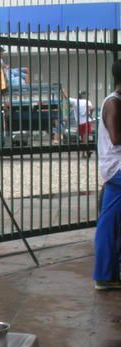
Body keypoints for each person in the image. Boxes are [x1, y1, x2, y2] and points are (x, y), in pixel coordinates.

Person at [93, 60, 121, 290]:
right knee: (109, 221)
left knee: (110, 220)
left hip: (115, 169)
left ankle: (106, 273)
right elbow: (116, 138)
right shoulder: (113, 103)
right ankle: (104, 274)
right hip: (118, 167)